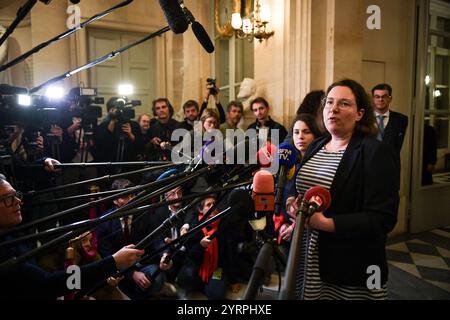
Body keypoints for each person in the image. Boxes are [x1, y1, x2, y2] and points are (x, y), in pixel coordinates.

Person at [285, 79, 400, 300]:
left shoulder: (376, 152)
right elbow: (297, 187)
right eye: (329, 102)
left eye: (344, 103)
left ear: (359, 114)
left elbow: (383, 219)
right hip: (308, 254)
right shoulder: (317, 145)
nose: (334, 108)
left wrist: (327, 224)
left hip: (351, 260)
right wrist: (292, 203)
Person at [0, 175, 144, 300]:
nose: (18, 202)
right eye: (8, 198)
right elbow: (49, 284)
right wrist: (113, 262)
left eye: (16, 195)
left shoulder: (13, 233)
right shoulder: (6, 252)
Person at [96, 179, 167, 300]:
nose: (131, 200)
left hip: (141, 263)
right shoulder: (105, 222)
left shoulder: (144, 214)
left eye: (132, 195)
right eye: (125, 197)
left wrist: (165, 254)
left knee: (156, 277)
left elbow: (155, 239)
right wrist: (132, 274)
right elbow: (107, 255)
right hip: (118, 269)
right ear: (115, 200)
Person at [279, 114, 322, 246]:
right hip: (286, 229)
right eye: (296, 132)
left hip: (311, 233)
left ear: (315, 135)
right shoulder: (289, 164)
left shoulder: (319, 164)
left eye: (306, 132)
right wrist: (282, 223)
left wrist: (295, 227)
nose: (300, 137)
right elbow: (281, 197)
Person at [371, 83, 408, 155]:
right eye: (377, 97)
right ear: (373, 99)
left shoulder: (401, 120)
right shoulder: (365, 118)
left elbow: (397, 147)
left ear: (390, 98)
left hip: (391, 163)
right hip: (367, 163)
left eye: (384, 96)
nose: (380, 99)